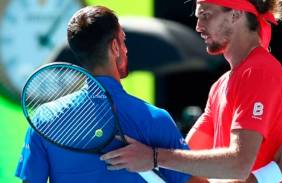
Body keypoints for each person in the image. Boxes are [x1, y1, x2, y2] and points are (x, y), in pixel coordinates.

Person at [100, 0, 282, 183]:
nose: (198, 26)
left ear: (236, 14)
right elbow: (188, 158)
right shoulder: (221, 85)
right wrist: (145, 154)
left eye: (206, 15)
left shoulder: (259, 70)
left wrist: (154, 157)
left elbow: (238, 164)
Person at [15, 6, 192, 183]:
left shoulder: (43, 119)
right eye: (123, 41)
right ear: (115, 47)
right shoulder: (155, 119)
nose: (126, 49)